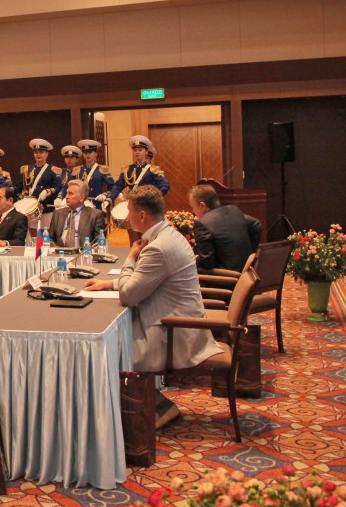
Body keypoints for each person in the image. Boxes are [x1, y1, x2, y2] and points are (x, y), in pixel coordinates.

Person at [85, 186, 222, 428]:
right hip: (178, 320)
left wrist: (130, 257)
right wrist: (108, 283)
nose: (127, 217)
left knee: (105, 346)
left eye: (130, 211)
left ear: (142, 215)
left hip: (174, 332)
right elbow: (146, 280)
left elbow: (129, 295)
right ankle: (153, 405)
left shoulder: (158, 247)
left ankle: (145, 411)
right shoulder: (168, 235)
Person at [188, 184, 262, 272]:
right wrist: (251, 253)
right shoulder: (233, 210)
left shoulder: (202, 224)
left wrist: (193, 260)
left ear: (202, 205)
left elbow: (207, 262)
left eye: (193, 207)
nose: (193, 211)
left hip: (226, 276)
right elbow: (257, 225)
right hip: (248, 271)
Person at [15, 138, 62, 231]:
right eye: (36, 152)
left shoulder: (52, 170)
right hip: (30, 208)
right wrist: (6, 190)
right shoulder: (27, 169)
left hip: (46, 207)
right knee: (31, 233)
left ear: (47, 154)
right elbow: (18, 186)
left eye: (41, 152)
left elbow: (59, 187)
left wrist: (47, 191)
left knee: (45, 233)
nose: (38, 154)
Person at [51, 180, 104, 247]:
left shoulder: (95, 215)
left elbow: (99, 240)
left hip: (83, 251)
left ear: (81, 197)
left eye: (70, 194)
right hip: (60, 251)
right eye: (67, 193)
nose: (66, 197)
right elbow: (50, 238)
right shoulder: (58, 213)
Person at [69, 139, 115, 205]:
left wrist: (105, 195)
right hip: (80, 204)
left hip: (96, 203)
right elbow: (68, 186)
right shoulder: (77, 170)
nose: (87, 155)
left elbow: (113, 187)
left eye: (90, 152)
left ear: (96, 154)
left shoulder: (102, 169)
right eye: (85, 153)